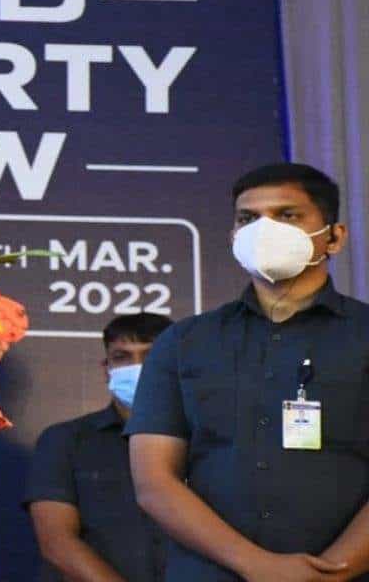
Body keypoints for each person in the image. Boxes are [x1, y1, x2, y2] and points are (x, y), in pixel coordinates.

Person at [127, 163, 369, 581]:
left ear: (334, 237)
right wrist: (258, 566)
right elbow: (154, 481)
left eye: (287, 215)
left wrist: (331, 573)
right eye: (248, 219)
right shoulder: (184, 341)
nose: (264, 230)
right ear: (234, 237)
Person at [25, 313, 172, 582]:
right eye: (122, 357)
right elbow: (57, 541)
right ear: (106, 369)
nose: (137, 367)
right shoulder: (65, 440)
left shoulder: (208, 442)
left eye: (150, 356)